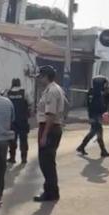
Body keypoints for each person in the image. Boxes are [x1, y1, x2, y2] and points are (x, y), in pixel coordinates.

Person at [35, 66, 66, 202]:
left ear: (46, 76)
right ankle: (52, 191)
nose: (40, 79)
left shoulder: (52, 91)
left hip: (49, 127)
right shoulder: (55, 89)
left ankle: (50, 193)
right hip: (53, 126)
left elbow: (51, 114)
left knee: (46, 162)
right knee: (48, 162)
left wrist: (45, 134)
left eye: (41, 76)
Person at [76, 76, 109, 157]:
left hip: (92, 115)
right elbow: (101, 106)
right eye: (104, 84)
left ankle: (82, 147)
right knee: (97, 132)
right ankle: (101, 151)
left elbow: (89, 105)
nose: (105, 86)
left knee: (94, 132)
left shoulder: (92, 92)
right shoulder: (98, 94)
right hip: (96, 116)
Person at [7, 78, 30, 164]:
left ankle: (12, 158)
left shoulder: (8, 93)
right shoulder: (24, 92)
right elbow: (30, 103)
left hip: (12, 120)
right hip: (23, 119)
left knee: (12, 139)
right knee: (23, 139)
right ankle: (24, 158)